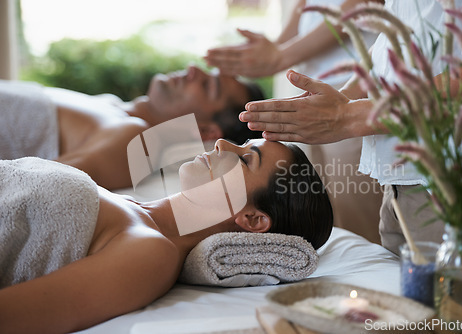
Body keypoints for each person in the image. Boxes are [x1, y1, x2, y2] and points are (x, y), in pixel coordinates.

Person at [237, 0, 462, 254]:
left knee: (452, 297)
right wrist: (344, 98)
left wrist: (349, 115)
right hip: (398, 176)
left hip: (457, 177)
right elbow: (392, 41)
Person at [0, 138, 334, 334]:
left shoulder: (151, 253)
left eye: (246, 159)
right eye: (241, 142)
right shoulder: (128, 202)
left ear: (252, 219)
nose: (221, 143)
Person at [205, 0, 383, 244]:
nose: (221, 144)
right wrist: (275, 51)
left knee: (362, 231)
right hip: (320, 96)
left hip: (359, 99)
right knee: (322, 222)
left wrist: (281, 56)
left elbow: (362, 4)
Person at [0, 65, 264, 190]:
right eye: (207, 72)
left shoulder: (135, 137)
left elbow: (31, 182)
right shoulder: (112, 106)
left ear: (206, 132)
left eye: (208, 85)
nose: (194, 69)